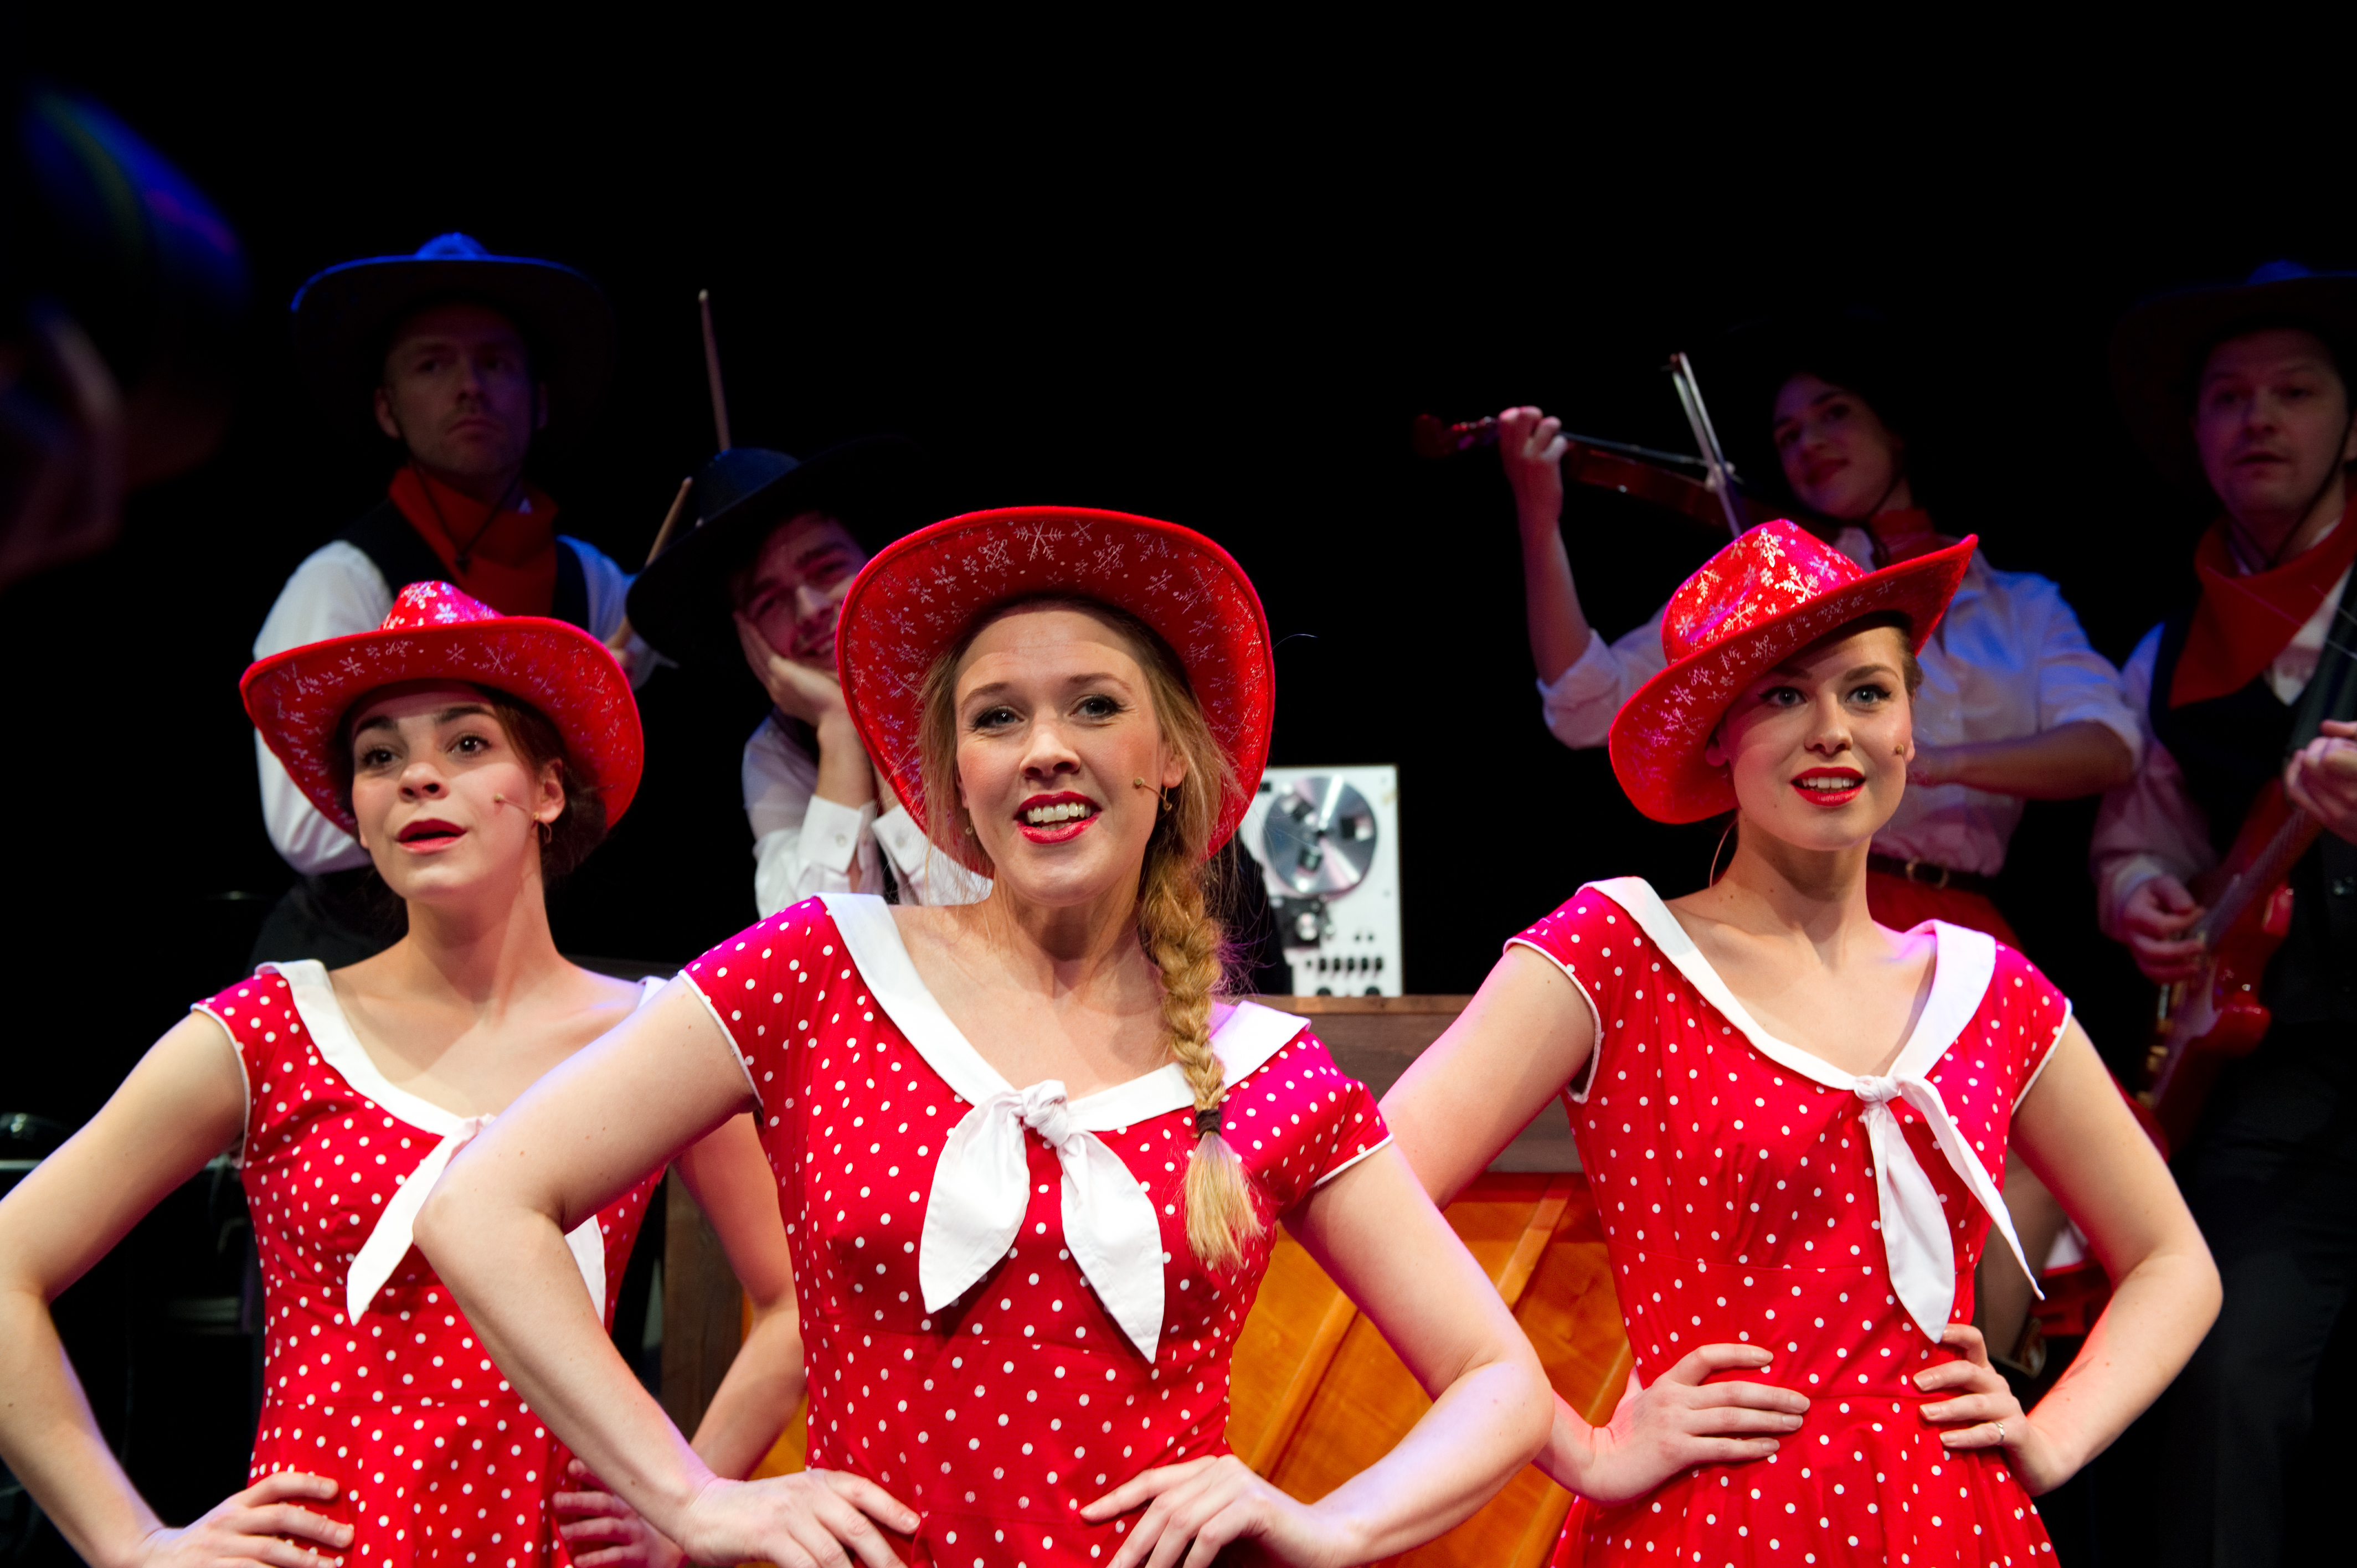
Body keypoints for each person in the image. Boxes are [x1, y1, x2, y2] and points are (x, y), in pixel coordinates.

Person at [415, 507, 1556, 1568]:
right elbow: (481, 1207)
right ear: (957, 773)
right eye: (997, 716)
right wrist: (692, 1496)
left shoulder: (1261, 1070)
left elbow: (1496, 1374)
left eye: (1094, 705)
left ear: (1170, 756)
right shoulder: (825, 969)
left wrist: (1331, 1528)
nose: (1044, 747)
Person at [1382, 520, 2217, 1566]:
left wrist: (2051, 1438)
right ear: (1717, 736)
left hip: (1956, 1522)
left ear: (1910, 726)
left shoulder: (1986, 989)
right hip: (1710, 1525)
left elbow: (2174, 1261)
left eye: (1867, 692)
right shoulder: (1618, 952)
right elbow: (1371, 1195)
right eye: (1781, 696)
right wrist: (1573, 1441)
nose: (1832, 731)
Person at [0, 583, 790, 1568]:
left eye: (467, 744)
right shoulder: (269, 1032)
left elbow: (793, 1300)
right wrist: (131, 1543)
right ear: (358, 817)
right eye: (380, 757)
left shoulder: (650, 1039)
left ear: (548, 790)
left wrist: (687, 1507)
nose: (418, 776)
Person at [1506, 313, 2139, 941]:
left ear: (1893, 429)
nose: (1807, 444)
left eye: (1834, 413)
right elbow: (1583, 703)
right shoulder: (1783, 590)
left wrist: (1939, 762)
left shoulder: (2023, 604)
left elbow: (2108, 749)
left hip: (1969, 919)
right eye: (1787, 436)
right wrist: (1539, 521)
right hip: (1811, 907)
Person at [2094, 260, 2357, 1566]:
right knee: (2214, 1373)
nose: (2258, 419)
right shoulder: (2167, 650)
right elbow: (2140, 834)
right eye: (2226, 397)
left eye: (2293, 392)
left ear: (2353, 424)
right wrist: (2140, 892)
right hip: (2284, 1083)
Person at [254, 234, 652, 966]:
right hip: (361, 954)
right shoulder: (343, 580)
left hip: (529, 954)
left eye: (495, 363)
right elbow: (301, 828)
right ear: (387, 408)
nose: (470, 387)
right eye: (432, 365)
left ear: (539, 401)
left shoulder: (592, 579)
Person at [624, 440, 991, 915]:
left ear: (875, 564)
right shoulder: (775, 750)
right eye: (770, 602)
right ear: (749, 639)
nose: (810, 609)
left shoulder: (975, 684)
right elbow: (814, 940)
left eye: (827, 569)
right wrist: (840, 727)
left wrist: (877, 716)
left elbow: (976, 916)